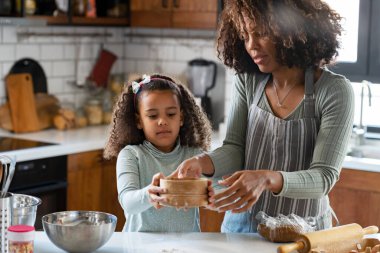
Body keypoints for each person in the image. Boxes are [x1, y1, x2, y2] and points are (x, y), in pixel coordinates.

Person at [173, 0, 355, 233]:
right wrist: (202, 163)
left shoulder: (333, 91)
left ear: (291, 29)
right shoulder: (248, 80)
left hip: (302, 232)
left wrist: (266, 178)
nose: (251, 46)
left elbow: (323, 177)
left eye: (260, 34)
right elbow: (235, 149)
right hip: (243, 227)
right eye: (245, 35)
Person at [103, 74, 212, 232]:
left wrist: (209, 194)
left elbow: (216, 191)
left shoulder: (195, 156)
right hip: (140, 246)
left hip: (187, 246)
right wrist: (150, 194)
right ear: (139, 121)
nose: (162, 121)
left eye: (171, 114)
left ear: (181, 117)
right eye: (153, 116)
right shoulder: (131, 155)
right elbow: (127, 202)